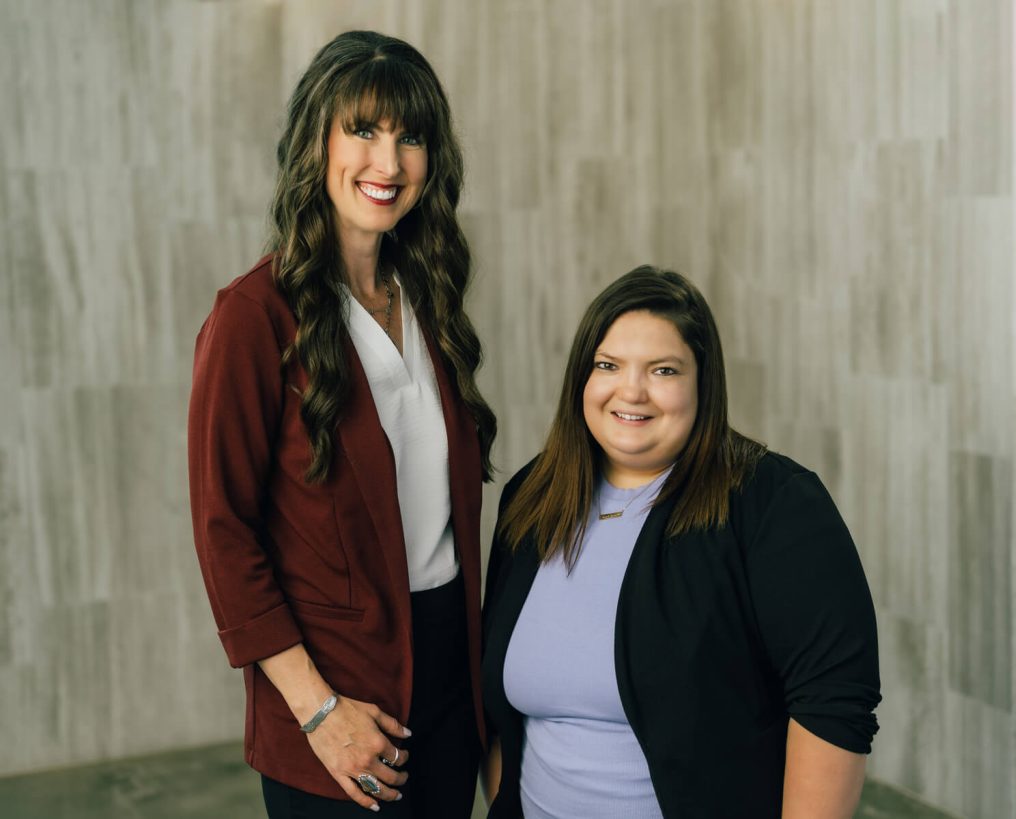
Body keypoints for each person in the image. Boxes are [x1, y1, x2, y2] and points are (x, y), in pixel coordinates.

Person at [187, 30, 496, 818]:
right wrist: (319, 710)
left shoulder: (428, 298)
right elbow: (225, 533)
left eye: (410, 137)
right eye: (362, 130)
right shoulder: (252, 317)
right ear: (316, 142)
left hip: (449, 685)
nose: (387, 162)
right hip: (334, 698)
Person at [481, 265, 881, 818]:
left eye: (664, 370)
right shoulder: (534, 497)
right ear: (581, 378)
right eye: (608, 365)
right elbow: (500, 710)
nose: (631, 391)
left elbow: (833, 704)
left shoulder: (773, 502)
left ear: (702, 384)